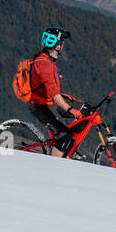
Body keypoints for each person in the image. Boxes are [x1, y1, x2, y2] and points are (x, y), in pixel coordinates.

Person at [28, 27, 83, 155]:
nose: (62, 46)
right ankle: (55, 163)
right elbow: (55, 95)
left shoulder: (47, 60)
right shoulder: (43, 64)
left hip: (49, 102)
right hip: (41, 106)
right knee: (64, 136)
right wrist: (71, 110)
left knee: (85, 109)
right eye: (61, 43)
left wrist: (77, 107)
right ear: (57, 46)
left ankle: (67, 149)